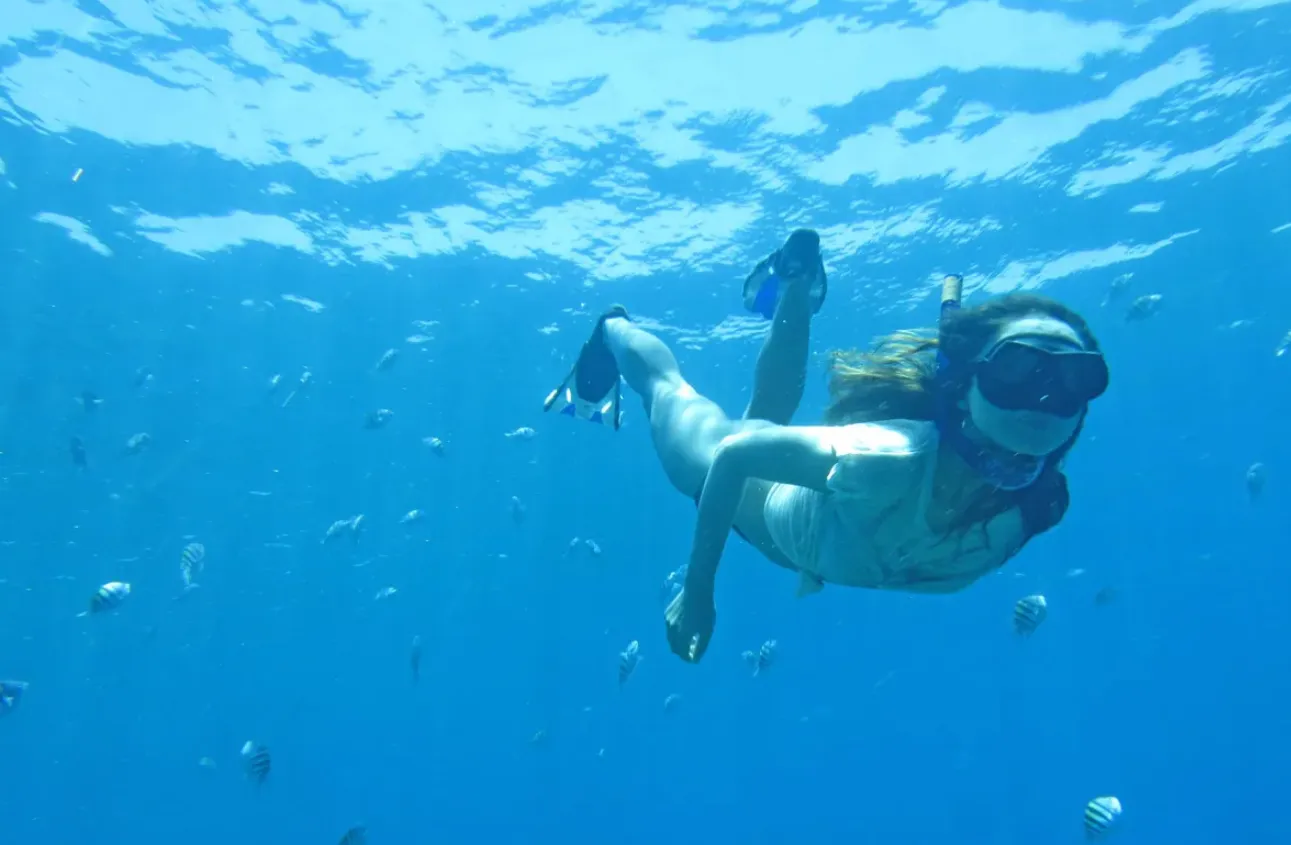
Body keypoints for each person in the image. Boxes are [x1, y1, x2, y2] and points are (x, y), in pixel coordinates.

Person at [543, 230, 1109, 664]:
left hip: (802, 505)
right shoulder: (884, 459)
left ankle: (794, 278)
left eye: (1076, 379)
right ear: (965, 388)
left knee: (767, 412)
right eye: (1018, 367)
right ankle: (611, 330)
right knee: (672, 396)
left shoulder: (1039, 505)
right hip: (745, 490)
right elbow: (735, 459)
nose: (1043, 396)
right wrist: (697, 593)